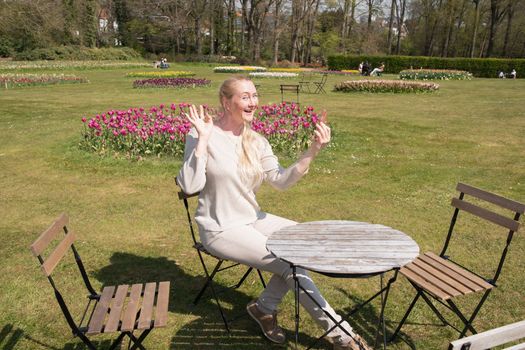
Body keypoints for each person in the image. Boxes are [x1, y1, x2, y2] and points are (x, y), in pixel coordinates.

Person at [177, 76, 371, 350]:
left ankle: (264, 307)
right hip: (220, 229)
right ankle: (343, 336)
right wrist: (202, 141)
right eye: (245, 96)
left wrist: (313, 150)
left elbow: (280, 181)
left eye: (254, 95)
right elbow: (189, 185)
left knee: (303, 242)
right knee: (289, 263)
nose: (253, 102)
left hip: (252, 219)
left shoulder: (257, 141)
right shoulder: (202, 134)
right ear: (226, 101)